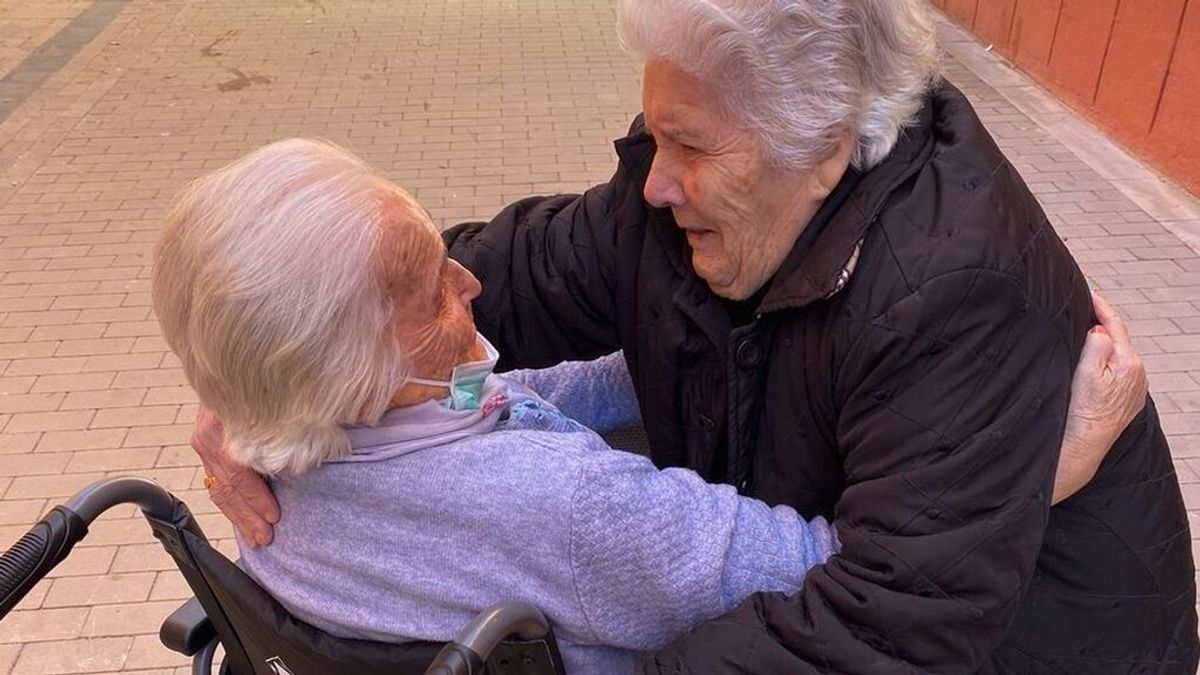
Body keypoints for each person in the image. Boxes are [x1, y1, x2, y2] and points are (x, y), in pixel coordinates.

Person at [192, 0, 1197, 672]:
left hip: (1029, 638)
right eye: (654, 134)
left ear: (824, 146)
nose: (654, 180)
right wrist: (262, 381)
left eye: (691, 146)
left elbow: (892, 628)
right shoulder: (678, 204)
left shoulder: (949, 288)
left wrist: (1019, 493)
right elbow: (473, 281)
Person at [154, 139, 846, 674]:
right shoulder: (575, 508)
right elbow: (822, 565)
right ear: (350, 371)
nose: (470, 280)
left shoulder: (263, 443)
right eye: (433, 292)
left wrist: (686, 355)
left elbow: (520, 396)